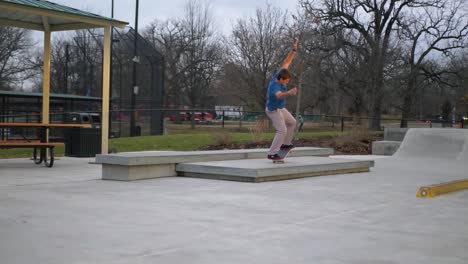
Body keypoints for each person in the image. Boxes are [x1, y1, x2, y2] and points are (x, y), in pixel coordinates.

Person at [265, 38, 299, 161]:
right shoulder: (274, 86)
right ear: (280, 79)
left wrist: (294, 50)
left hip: (280, 108)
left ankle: (285, 144)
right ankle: (272, 153)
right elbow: (279, 95)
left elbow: (287, 62)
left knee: (292, 122)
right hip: (273, 110)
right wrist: (289, 93)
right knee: (281, 129)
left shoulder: (280, 73)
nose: (287, 82)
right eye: (286, 81)